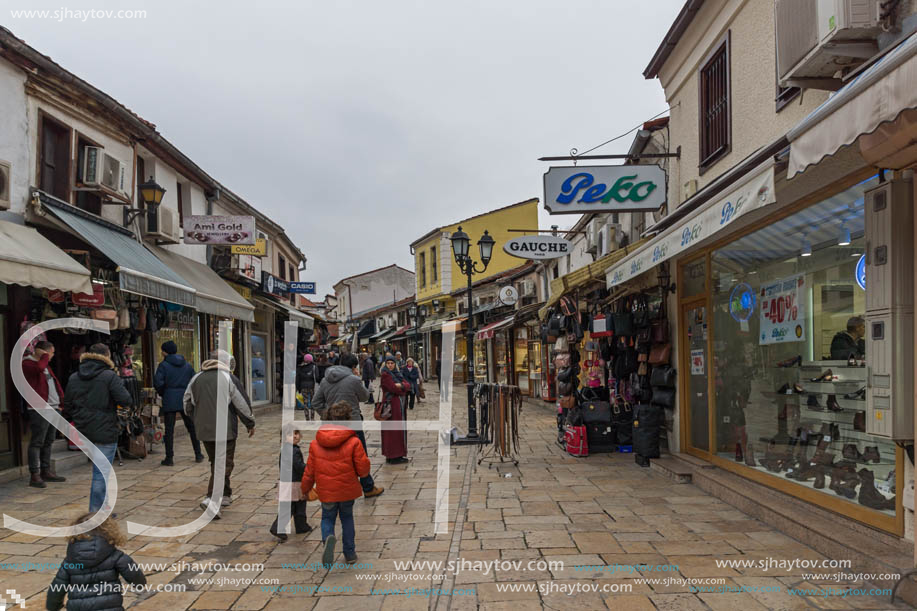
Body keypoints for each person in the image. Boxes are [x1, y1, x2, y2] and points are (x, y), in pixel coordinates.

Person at [62, 344, 134, 513]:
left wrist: (81, 418)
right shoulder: (109, 376)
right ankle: (96, 512)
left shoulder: (74, 377)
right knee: (101, 473)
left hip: (84, 429)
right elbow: (125, 399)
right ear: (106, 356)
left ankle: (103, 506)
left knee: (100, 470)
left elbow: (68, 405)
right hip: (105, 427)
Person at [301, 401, 371, 568]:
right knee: (347, 518)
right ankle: (350, 553)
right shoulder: (354, 442)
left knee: (327, 517)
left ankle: (328, 540)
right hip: (347, 489)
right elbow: (363, 469)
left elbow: (309, 471)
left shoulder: (315, 444)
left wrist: (305, 489)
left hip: (327, 491)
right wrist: (364, 473)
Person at [183, 350, 255, 511]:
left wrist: (197, 419)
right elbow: (241, 403)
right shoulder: (229, 378)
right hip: (226, 430)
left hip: (204, 430)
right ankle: (212, 499)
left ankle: (226, 494)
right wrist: (250, 423)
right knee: (224, 464)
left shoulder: (196, 378)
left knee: (216, 461)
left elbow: (187, 402)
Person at [312, 353, 384, 498]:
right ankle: (368, 487)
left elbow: (315, 403)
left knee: (334, 456)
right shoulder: (353, 380)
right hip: (352, 423)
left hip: (331, 425)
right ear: (353, 366)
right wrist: (358, 379)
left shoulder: (326, 380)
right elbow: (364, 397)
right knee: (360, 455)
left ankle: (335, 488)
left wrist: (328, 414)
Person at [46, 514, 146, 611]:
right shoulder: (116, 556)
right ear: (109, 532)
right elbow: (136, 577)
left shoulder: (69, 561)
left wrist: (53, 606)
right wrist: (139, 584)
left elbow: (57, 587)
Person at [22, 340, 66, 488]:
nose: (52, 356)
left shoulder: (44, 364)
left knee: (49, 440)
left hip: (53, 408)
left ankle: (46, 471)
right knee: (37, 441)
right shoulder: (28, 363)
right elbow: (38, 369)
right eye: (51, 353)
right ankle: (34, 474)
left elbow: (54, 383)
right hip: (39, 408)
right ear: (43, 352)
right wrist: (44, 357)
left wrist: (60, 403)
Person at [153, 341, 203, 466]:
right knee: (191, 427)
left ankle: (169, 458)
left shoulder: (163, 365)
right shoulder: (186, 365)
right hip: (185, 398)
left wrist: (165, 392)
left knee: (169, 430)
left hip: (170, 398)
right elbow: (194, 380)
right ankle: (198, 453)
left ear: (165, 352)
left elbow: (158, 383)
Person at [269, 423, 312, 541]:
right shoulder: (293, 451)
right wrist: (308, 468)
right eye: (290, 434)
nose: (294, 436)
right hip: (292, 483)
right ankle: (278, 527)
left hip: (288, 482)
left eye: (296, 433)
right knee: (290, 507)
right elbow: (298, 466)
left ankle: (301, 525)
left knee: (299, 505)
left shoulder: (288, 449)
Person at [380, 355, 410, 464]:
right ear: (385, 364)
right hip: (390, 406)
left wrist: (401, 385)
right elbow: (393, 388)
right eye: (388, 363)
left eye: (392, 363)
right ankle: (393, 455)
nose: (390, 365)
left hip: (398, 406)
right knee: (392, 431)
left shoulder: (398, 374)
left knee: (397, 430)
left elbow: (408, 385)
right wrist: (402, 387)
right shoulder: (385, 375)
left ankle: (396, 454)